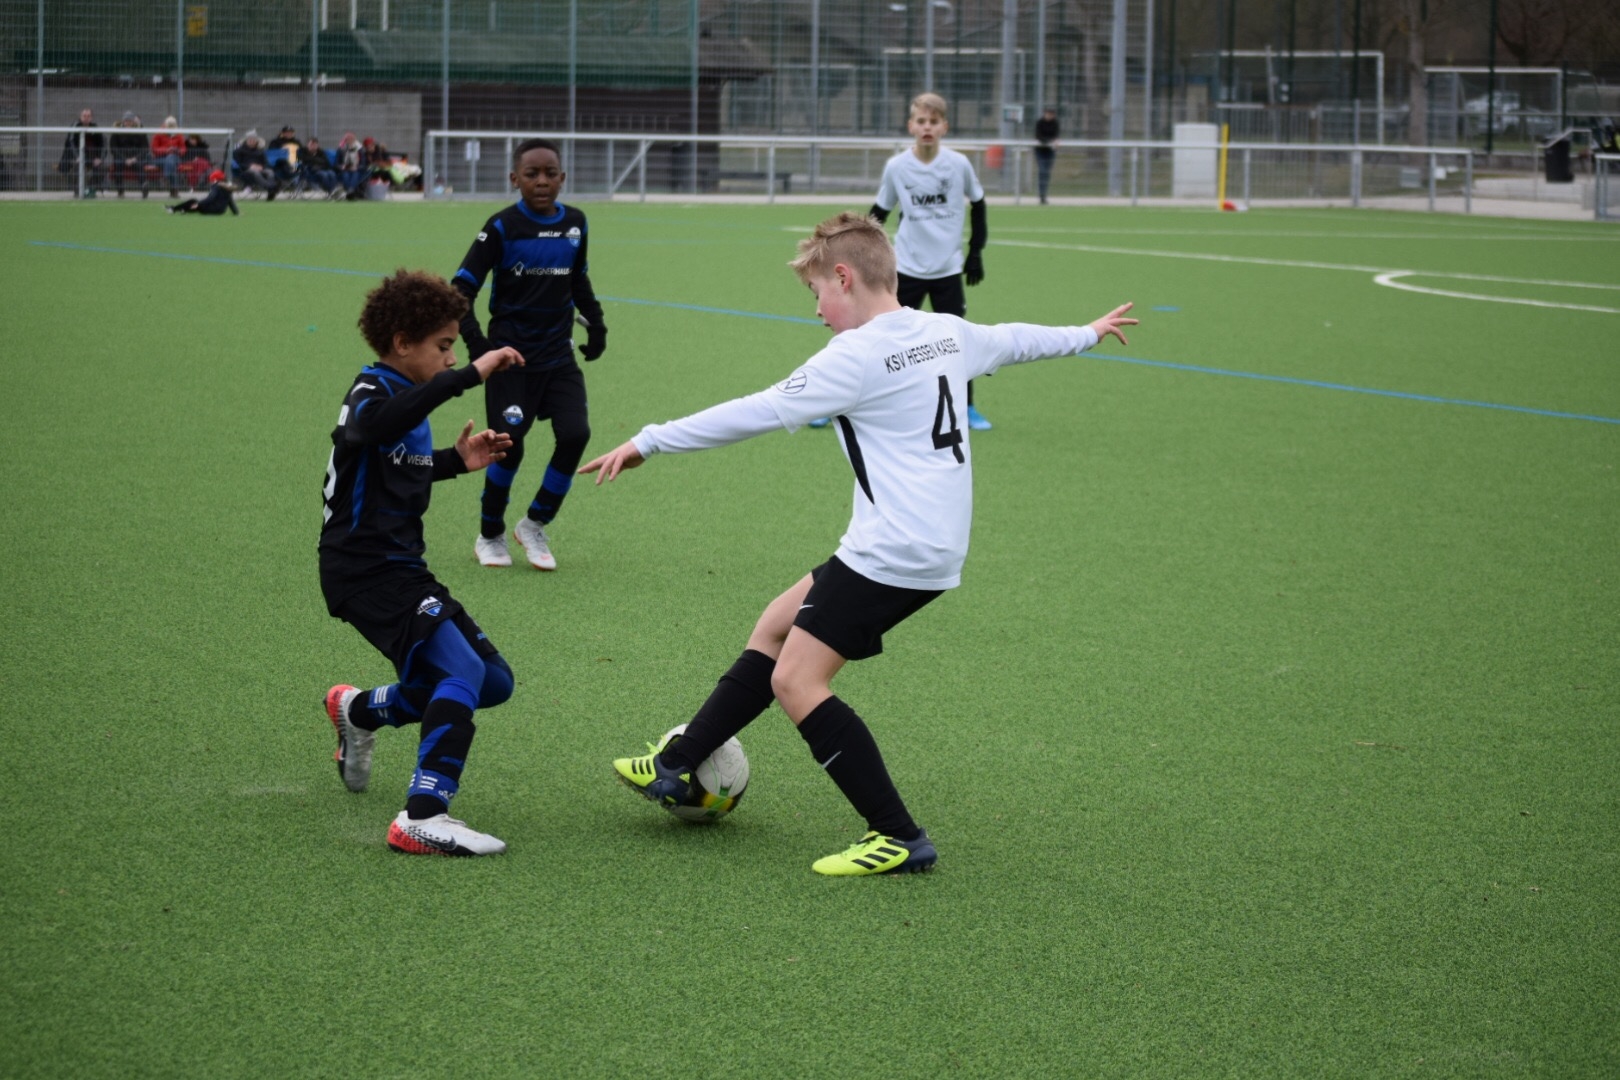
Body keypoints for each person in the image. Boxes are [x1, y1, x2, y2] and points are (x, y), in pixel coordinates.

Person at [584, 212, 1137, 876]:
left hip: (893, 552)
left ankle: (898, 836)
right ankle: (676, 763)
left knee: (796, 680)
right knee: (776, 624)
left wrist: (649, 440)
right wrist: (1087, 333)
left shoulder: (856, 355)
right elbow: (1017, 339)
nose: (817, 310)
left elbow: (756, 411)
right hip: (924, 545)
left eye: (817, 292)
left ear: (843, 277)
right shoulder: (946, 331)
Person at [318, 269, 526, 857]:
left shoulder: (402, 396)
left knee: (492, 681)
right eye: (443, 346)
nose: (452, 357)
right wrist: (471, 375)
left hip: (401, 568)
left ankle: (360, 710)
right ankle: (423, 814)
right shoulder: (371, 392)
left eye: (455, 347)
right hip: (365, 570)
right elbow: (372, 427)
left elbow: (394, 462)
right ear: (402, 342)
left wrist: (455, 461)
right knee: (459, 672)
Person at [452, 137, 607, 571]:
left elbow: (578, 281)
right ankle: (490, 534)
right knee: (508, 447)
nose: (542, 181)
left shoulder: (575, 223)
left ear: (562, 177)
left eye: (550, 173)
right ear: (514, 179)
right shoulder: (501, 227)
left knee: (575, 434)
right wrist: (480, 347)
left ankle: (534, 524)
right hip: (511, 361)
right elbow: (460, 290)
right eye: (532, 174)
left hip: (558, 357)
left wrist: (597, 325)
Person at [868, 92, 994, 431]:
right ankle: (858, 401)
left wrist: (975, 252)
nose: (927, 127)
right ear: (911, 126)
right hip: (906, 268)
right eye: (921, 121)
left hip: (947, 271)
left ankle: (967, 407)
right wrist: (868, 257)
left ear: (944, 127)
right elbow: (879, 214)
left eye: (933, 122)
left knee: (955, 342)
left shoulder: (958, 164)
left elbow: (979, 204)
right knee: (883, 337)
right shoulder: (897, 167)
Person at [58, 108, 106, 195]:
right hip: (76, 157)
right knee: (77, 168)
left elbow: (103, 144)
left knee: (102, 168)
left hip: (92, 157)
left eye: (88, 116)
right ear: (80, 117)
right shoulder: (75, 126)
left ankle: (89, 189)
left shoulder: (95, 127)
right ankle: (78, 192)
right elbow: (71, 142)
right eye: (84, 116)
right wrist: (77, 157)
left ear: (91, 118)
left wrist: (100, 158)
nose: (86, 118)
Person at [110, 112, 151, 198]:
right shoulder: (116, 131)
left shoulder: (140, 131)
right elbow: (113, 148)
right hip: (121, 157)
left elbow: (145, 148)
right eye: (126, 121)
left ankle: (144, 186)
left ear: (133, 122)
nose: (128, 123)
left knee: (139, 166)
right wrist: (124, 159)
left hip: (135, 157)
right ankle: (120, 190)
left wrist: (135, 158)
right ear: (123, 121)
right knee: (118, 165)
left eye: (130, 121)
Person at [166, 169, 238, 215]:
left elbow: (211, 198)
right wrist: (236, 212)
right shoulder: (228, 188)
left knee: (193, 201)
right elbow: (230, 201)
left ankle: (174, 209)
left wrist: (198, 203)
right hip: (220, 211)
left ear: (215, 180)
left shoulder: (216, 186)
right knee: (196, 205)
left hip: (213, 210)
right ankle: (183, 210)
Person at [231, 131, 280, 199]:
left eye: (253, 140)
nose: (252, 141)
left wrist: (261, 167)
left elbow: (266, 163)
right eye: (250, 140)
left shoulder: (260, 151)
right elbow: (238, 163)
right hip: (245, 171)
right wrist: (250, 166)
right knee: (256, 173)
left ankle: (271, 190)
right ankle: (271, 187)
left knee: (270, 172)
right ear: (246, 141)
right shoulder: (238, 151)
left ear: (257, 141)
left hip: (261, 169)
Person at [150, 116, 185, 198]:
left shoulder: (179, 134)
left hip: (175, 157)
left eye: (173, 125)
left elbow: (183, 148)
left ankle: (166, 177)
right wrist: (166, 150)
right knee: (171, 163)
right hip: (160, 158)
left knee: (171, 158)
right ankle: (174, 191)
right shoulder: (158, 134)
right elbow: (154, 149)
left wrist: (177, 150)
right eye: (170, 125)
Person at [1034, 108, 1060, 205]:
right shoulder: (1040, 123)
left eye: (1052, 114)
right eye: (1048, 114)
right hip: (1040, 151)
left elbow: (1056, 135)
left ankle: (1044, 195)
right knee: (1042, 171)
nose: (1050, 116)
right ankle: (1041, 195)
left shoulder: (1055, 123)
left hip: (1050, 151)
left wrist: (1055, 141)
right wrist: (1049, 141)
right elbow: (1038, 136)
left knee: (1047, 173)